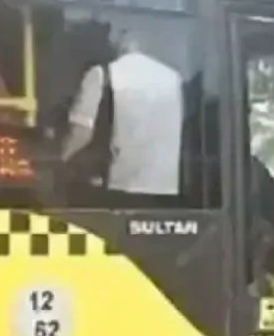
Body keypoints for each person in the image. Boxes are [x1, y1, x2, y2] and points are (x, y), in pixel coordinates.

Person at [61, 34, 184, 207]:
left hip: (117, 189)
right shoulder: (174, 79)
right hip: (166, 190)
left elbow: (81, 133)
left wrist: (60, 160)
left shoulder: (102, 74)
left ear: (119, 47)